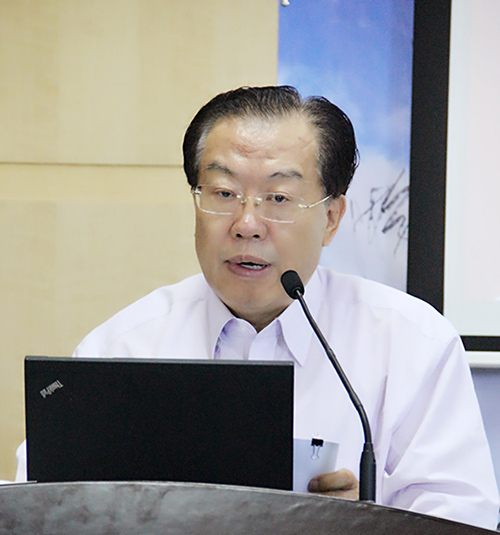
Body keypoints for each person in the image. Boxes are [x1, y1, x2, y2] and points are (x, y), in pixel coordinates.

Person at [15, 86, 499, 529]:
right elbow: (33, 508)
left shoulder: (411, 344)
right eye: (224, 193)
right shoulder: (121, 347)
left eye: (279, 197)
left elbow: (463, 519)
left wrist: (367, 522)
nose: (247, 224)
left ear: (331, 218)